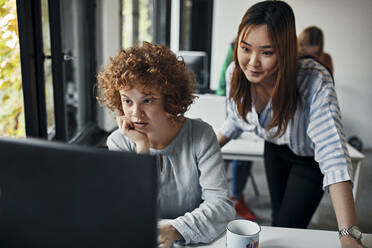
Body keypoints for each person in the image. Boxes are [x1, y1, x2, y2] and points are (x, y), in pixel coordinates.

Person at [217, 1, 365, 247]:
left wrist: (348, 234)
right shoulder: (235, 72)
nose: (252, 62)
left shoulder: (313, 78)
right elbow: (234, 121)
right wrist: (197, 150)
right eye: (245, 48)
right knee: (277, 219)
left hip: (309, 159)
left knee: (288, 224)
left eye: (266, 52)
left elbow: (333, 154)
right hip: (275, 150)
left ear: (284, 51)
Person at [96, 42, 235, 248]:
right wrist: (142, 149)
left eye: (148, 100)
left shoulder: (200, 135)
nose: (135, 113)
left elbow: (222, 206)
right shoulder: (119, 142)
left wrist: (174, 230)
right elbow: (128, 211)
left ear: (169, 99)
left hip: (198, 243)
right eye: (127, 101)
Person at [217, 39, 257, 221]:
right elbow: (221, 87)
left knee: (244, 155)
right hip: (229, 108)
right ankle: (233, 197)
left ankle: (236, 196)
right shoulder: (233, 62)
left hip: (247, 117)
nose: (254, 61)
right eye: (246, 49)